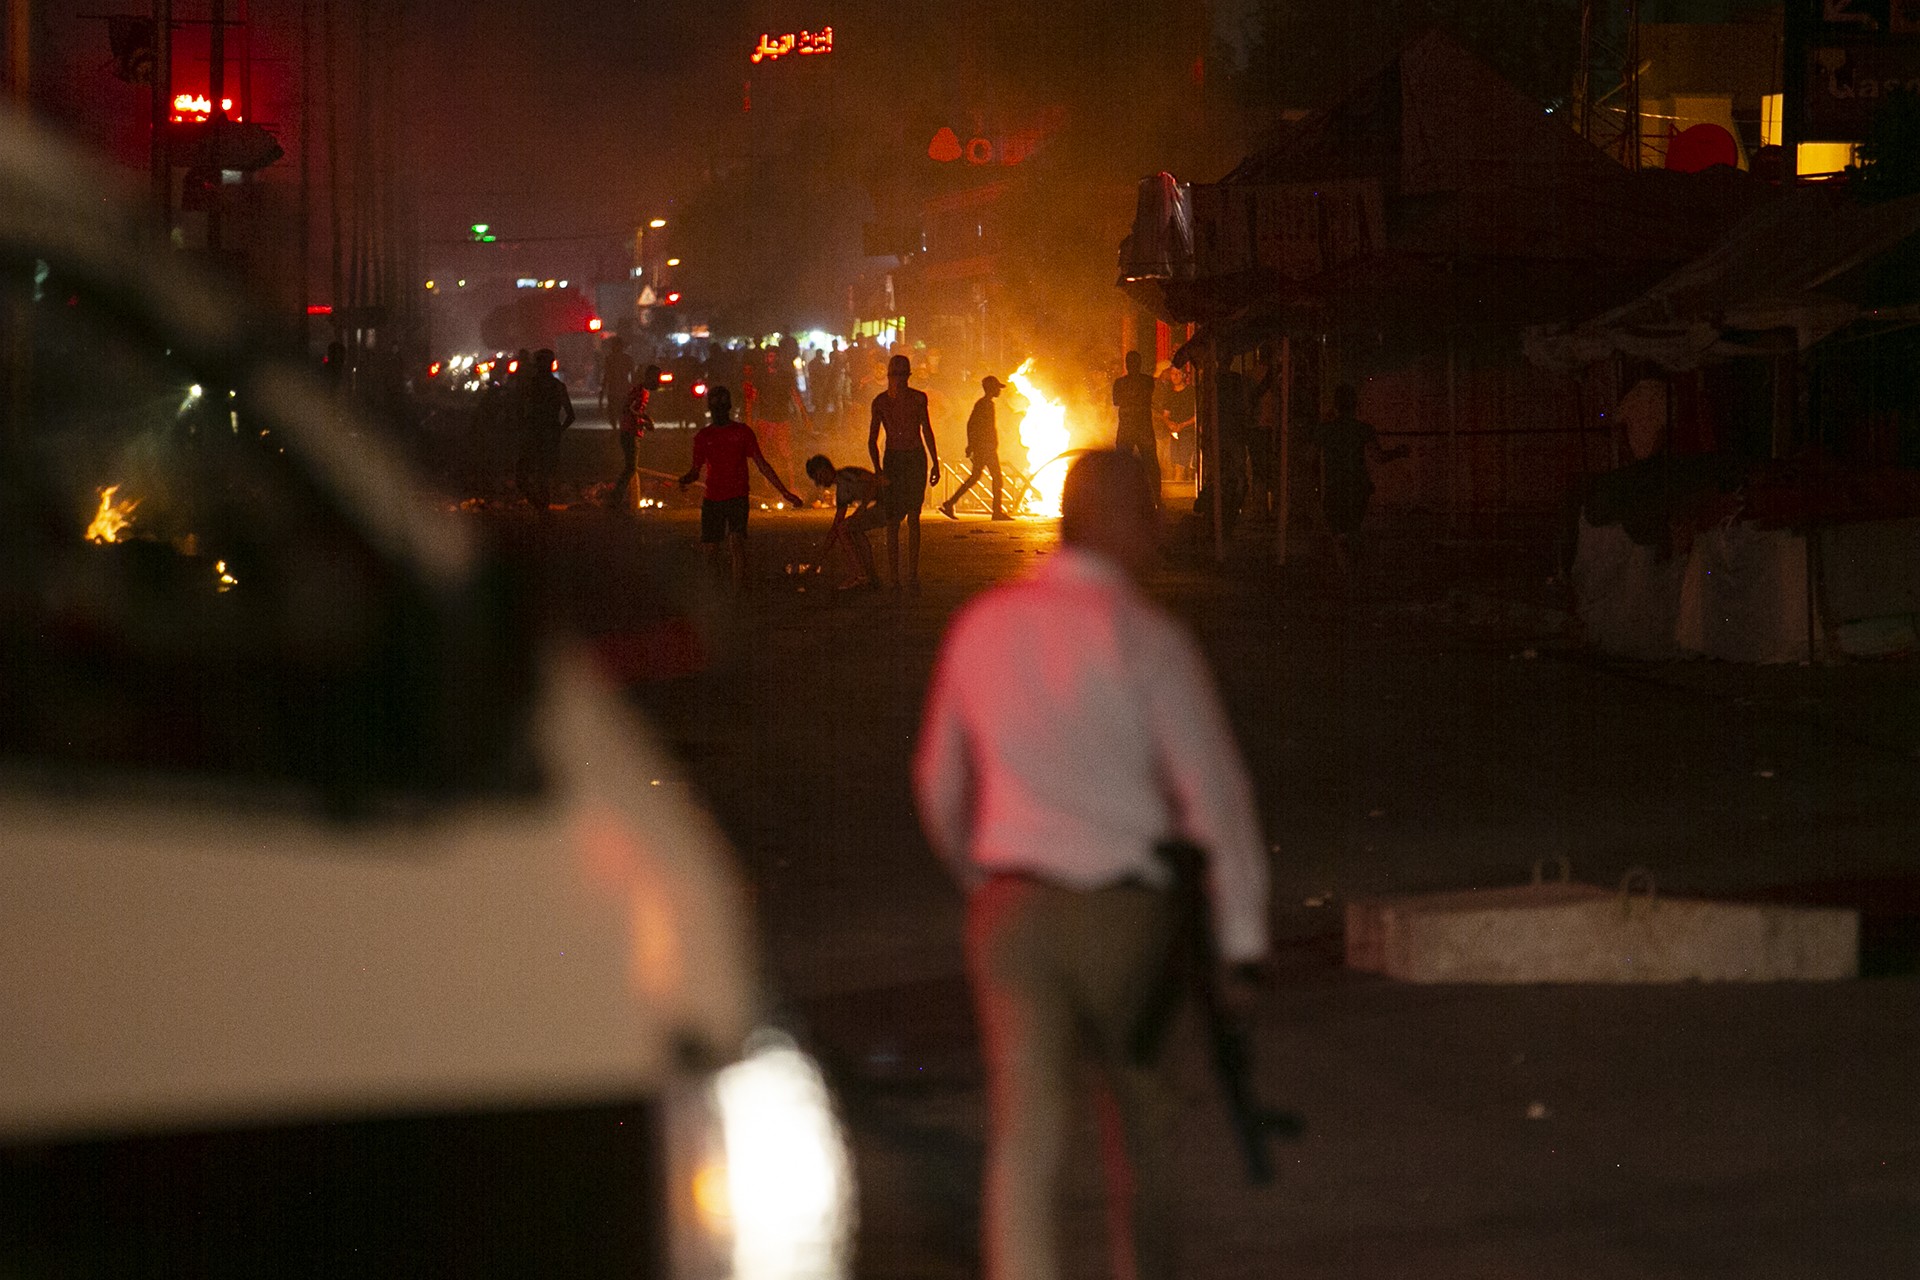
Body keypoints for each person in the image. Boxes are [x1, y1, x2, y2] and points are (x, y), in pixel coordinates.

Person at [915, 450, 1271, 1280]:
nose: (1159, 531)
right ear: (1116, 521)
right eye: (1148, 512)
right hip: (1125, 919)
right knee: (1142, 1145)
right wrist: (1244, 939)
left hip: (1012, 914)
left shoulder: (984, 624)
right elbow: (1216, 798)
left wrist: (985, 879)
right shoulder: (1145, 638)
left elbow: (937, 782)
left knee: (1025, 1138)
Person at [679, 386, 806, 592]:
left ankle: (736, 593)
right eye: (716, 406)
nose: (719, 410)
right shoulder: (706, 436)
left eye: (720, 406)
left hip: (734, 497)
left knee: (733, 545)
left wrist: (785, 492)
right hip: (716, 498)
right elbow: (696, 470)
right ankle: (720, 593)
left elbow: (762, 465)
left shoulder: (738, 433)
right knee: (717, 549)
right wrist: (686, 479)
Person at [867, 353, 941, 592]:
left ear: (908, 376)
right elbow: (872, 440)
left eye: (903, 375)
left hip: (913, 459)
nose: (900, 380)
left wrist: (935, 462)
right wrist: (878, 469)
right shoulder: (880, 403)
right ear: (889, 376)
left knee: (914, 517)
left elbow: (927, 431)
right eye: (896, 375)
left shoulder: (919, 399)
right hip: (895, 461)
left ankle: (911, 575)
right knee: (892, 521)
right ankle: (895, 578)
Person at [1314, 382, 1407, 571]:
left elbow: (1309, 457)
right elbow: (1378, 457)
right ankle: (1353, 569)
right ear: (1355, 404)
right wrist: (1398, 452)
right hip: (1357, 486)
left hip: (1335, 486)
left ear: (1336, 404)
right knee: (1353, 527)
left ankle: (1345, 569)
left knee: (1338, 532)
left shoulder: (1325, 430)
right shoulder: (1364, 429)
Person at [805, 453, 883, 590]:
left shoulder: (848, 475)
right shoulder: (842, 491)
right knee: (850, 528)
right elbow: (836, 526)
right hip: (881, 504)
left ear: (825, 470)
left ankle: (860, 575)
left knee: (846, 528)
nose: (822, 484)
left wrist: (863, 507)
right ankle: (869, 574)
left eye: (820, 477)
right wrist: (818, 561)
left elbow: (875, 480)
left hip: (888, 501)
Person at [941, 374, 1011, 520]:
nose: (999, 390)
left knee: (975, 477)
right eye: (997, 387)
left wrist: (972, 445)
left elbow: (972, 425)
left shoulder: (984, 404)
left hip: (984, 448)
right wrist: (973, 445)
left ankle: (950, 503)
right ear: (991, 388)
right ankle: (996, 512)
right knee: (996, 478)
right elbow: (974, 425)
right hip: (986, 448)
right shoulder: (985, 404)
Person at [515, 348, 575, 508]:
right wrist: (558, 431)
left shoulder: (532, 385)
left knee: (526, 475)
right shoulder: (557, 386)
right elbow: (571, 415)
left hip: (535, 433)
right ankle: (542, 509)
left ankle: (541, 510)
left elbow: (519, 408)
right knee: (543, 476)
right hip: (549, 433)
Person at [607, 362, 661, 508]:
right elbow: (628, 409)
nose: (658, 381)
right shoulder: (641, 391)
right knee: (630, 468)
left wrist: (646, 418)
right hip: (630, 432)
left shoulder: (641, 391)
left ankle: (616, 498)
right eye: (656, 377)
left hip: (630, 431)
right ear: (649, 377)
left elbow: (634, 410)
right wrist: (644, 423)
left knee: (630, 467)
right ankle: (615, 499)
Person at [1111, 350, 1160, 504]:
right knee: (1148, 462)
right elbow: (1117, 401)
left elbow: (1117, 401)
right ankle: (1154, 497)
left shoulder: (1122, 383)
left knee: (1127, 462)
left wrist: (1129, 399)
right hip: (1137, 426)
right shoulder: (1146, 381)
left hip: (1133, 426)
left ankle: (1123, 497)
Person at [598, 334, 634, 430]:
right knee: (617, 411)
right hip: (617, 389)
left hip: (619, 389)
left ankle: (617, 429)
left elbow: (606, 376)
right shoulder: (625, 359)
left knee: (617, 411)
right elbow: (607, 375)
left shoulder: (611, 359)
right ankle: (617, 428)